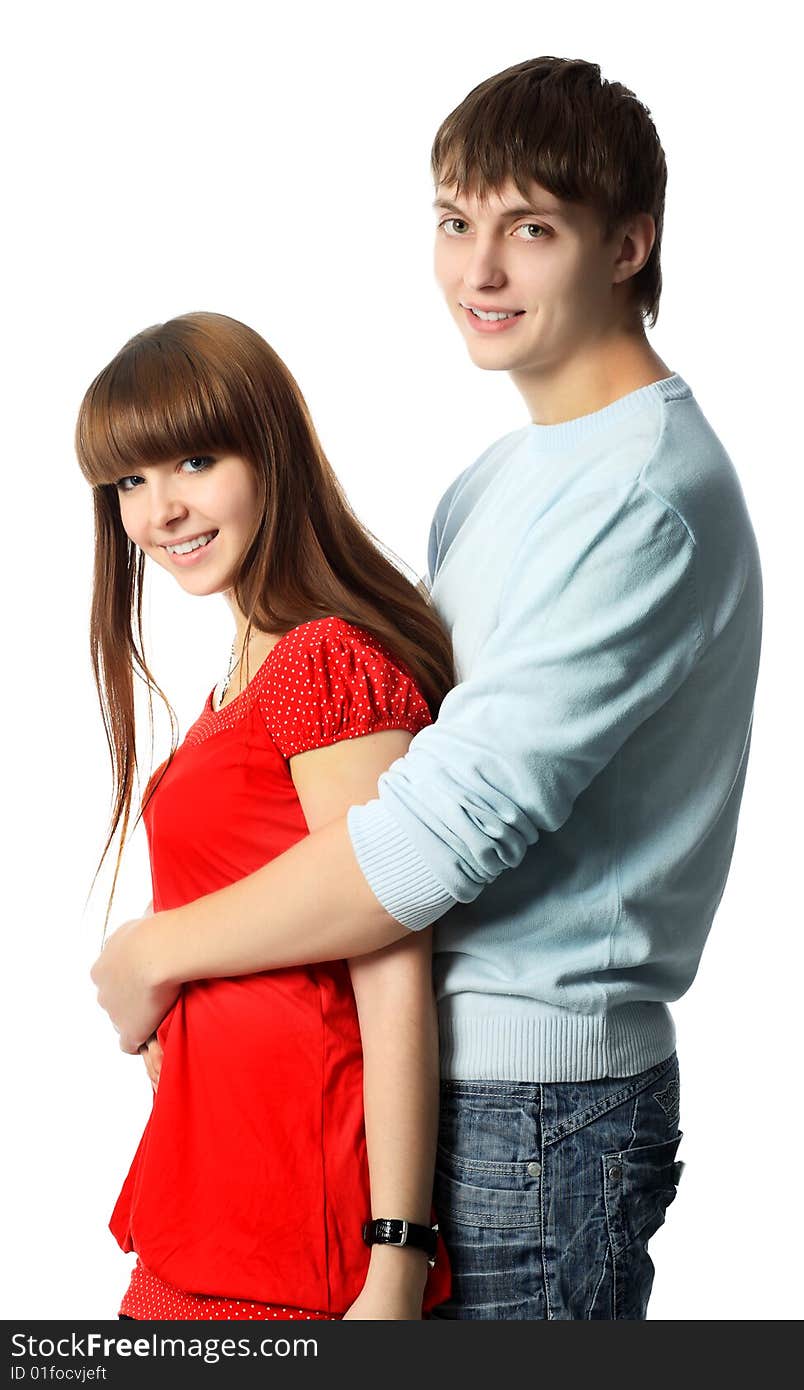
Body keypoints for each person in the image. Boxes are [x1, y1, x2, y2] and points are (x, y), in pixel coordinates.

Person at [91, 58, 763, 1319]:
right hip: (449, 1093)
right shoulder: (501, 480)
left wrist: (158, 953)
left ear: (629, 245)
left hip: (541, 1109)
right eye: (456, 223)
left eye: (529, 229)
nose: (479, 271)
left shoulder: (643, 495)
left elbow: (429, 836)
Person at [77, 310, 454, 1320]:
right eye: (129, 481)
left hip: (298, 1240)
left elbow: (391, 958)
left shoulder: (324, 659)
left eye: (195, 460)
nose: (160, 511)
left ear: (270, 454)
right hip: (207, 1207)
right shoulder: (234, 688)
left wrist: (396, 1262)